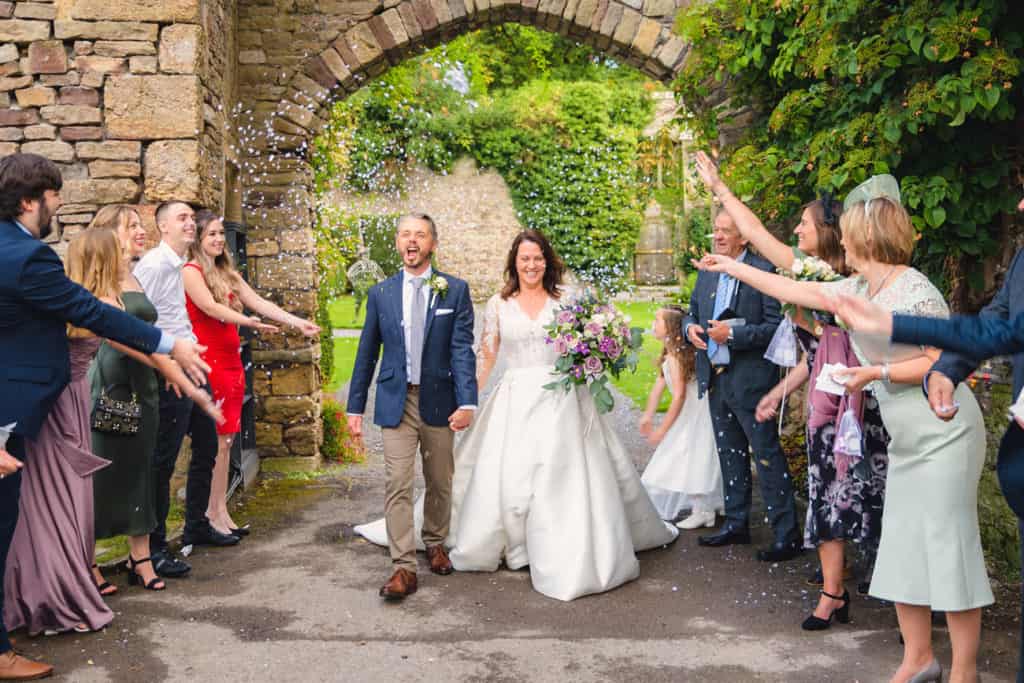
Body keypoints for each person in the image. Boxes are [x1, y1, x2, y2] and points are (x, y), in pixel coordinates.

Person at [697, 193, 992, 683]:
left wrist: (873, 371)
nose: (841, 239)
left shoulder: (916, 291)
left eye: (848, 231)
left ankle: (965, 672)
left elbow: (945, 361)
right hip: (907, 437)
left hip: (945, 433)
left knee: (948, 548)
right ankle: (918, 659)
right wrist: (733, 266)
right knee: (903, 547)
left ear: (866, 237)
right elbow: (788, 283)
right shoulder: (856, 287)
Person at [355, 230, 679, 601]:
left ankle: (562, 543)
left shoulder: (568, 300)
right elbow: (487, 357)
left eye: (538, 258)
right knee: (510, 477)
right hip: (515, 399)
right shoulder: (498, 304)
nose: (531, 265)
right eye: (524, 259)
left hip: (565, 401)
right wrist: (467, 400)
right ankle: (515, 541)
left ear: (547, 261)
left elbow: (590, 344)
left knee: (563, 476)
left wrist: (594, 354)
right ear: (514, 263)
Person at [0, 154, 208, 681]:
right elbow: (89, 311)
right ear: (30, 201)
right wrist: (169, 344)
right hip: (13, 411)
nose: (60, 203)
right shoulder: (28, 258)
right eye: (53, 195)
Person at [694, 151, 889, 629]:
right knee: (826, 492)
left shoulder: (853, 280)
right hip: (826, 401)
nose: (796, 231)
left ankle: (889, 582)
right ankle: (832, 593)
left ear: (828, 232)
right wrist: (719, 188)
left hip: (868, 400)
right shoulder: (805, 270)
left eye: (803, 224)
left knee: (874, 492)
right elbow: (757, 234)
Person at [87, 206, 223, 594]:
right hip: (116, 382)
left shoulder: (134, 271)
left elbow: (152, 322)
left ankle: (140, 557)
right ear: (109, 232)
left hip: (145, 380)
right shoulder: (102, 277)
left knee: (142, 470)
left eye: (138, 224)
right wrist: (170, 365)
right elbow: (117, 333)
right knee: (108, 472)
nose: (139, 231)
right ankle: (88, 561)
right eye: (131, 226)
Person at [347, 213, 478, 601]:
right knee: (397, 482)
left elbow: (461, 351)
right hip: (396, 402)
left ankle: (435, 541)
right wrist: (355, 408)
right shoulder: (381, 294)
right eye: (405, 234)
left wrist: (467, 400)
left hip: (440, 399)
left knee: (440, 479)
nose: (411, 241)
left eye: (420, 235)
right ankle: (403, 567)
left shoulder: (454, 290)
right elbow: (366, 354)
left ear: (432, 244)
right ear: (397, 242)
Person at [183, 210, 320, 537]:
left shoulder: (227, 274)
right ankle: (208, 515)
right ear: (198, 240)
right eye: (210, 235)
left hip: (231, 361)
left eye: (219, 233)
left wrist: (295, 321)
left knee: (228, 441)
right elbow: (210, 308)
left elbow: (258, 302)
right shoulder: (190, 271)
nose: (218, 239)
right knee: (216, 442)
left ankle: (219, 509)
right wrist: (248, 323)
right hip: (209, 362)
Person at [681, 209, 802, 561]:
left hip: (752, 382)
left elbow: (777, 327)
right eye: (715, 230)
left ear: (744, 237)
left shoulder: (763, 273)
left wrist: (733, 334)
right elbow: (691, 311)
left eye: (725, 231)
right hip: (716, 379)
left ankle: (786, 535)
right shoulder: (708, 271)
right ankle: (737, 523)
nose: (717, 237)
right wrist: (689, 329)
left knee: (765, 455)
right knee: (729, 454)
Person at [134, 201, 239, 579]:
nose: (190, 224)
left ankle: (196, 523)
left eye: (191, 218)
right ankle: (154, 547)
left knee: (208, 444)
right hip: (171, 369)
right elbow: (135, 319)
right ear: (162, 227)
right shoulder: (154, 265)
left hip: (194, 364)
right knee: (163, 459)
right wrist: (164, 361)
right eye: (182, 218)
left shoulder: (178, 265)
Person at [638, 305, 723, 527]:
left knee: (693, 456)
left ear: (672, 328)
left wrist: (663, 430)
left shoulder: (677, 358)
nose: (653, 324)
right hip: (692, 412)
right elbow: (658, 387)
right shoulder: (669, 353)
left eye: (658, 320)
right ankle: (708, 506)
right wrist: (647, 415)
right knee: (692, 456)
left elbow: (679, 397)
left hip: (696, 414)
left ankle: (703, 510)